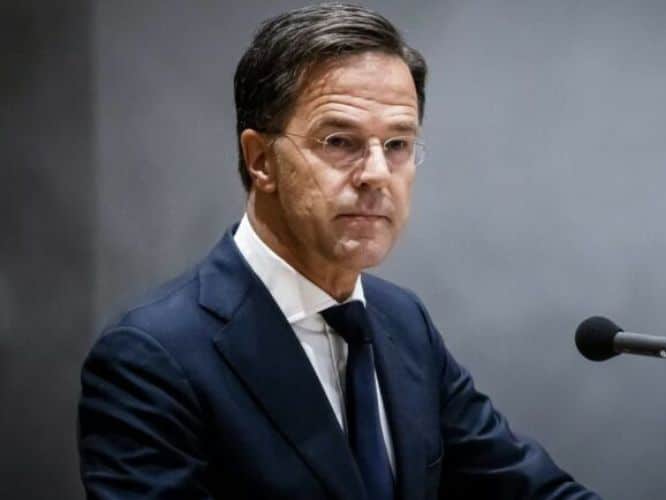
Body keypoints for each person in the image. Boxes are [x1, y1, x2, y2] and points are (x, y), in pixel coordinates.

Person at [78, 4, 602, 499]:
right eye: (338, 141)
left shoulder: (404, 323)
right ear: (261, 160)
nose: (377, 173)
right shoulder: (152, 357)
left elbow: (525, 488)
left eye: (397, 145)